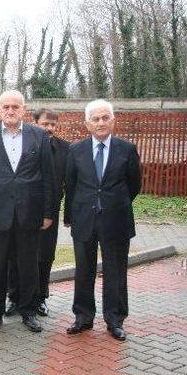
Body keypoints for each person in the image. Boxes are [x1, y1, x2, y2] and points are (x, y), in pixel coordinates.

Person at [0, 90, 54, 333]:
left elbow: (48, 176)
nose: (10, 111)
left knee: (28, 264)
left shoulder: (39, 135)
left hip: (30, 211)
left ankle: (28, 309)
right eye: (6, 106)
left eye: (15, 106)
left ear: (23, 109)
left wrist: (48, 212)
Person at [64, 99, 141, 341]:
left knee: (115, 272)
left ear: (113, 121)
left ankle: (115, 320)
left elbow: (134, 186)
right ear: (87, 123)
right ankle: (83, 317)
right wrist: (70, 218)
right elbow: (71, 185)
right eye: (95, 119)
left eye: (105, 118)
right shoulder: (75, 150)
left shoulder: (126, 149)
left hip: (116, 220)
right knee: (83, 271)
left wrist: (113, 203)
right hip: (84, 220)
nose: (101, 122)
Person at [6, 109, 70, 317]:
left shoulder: (65, 149)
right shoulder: (25, 143)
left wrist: (55, 212)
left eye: (53, 124)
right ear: (34, 123)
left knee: (45, 256)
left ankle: (41, 297)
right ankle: (14, 298)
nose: (50, 128)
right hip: (23, 210)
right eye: (45, 124)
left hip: (49, 212)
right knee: (16, 255)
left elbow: (66, 184)